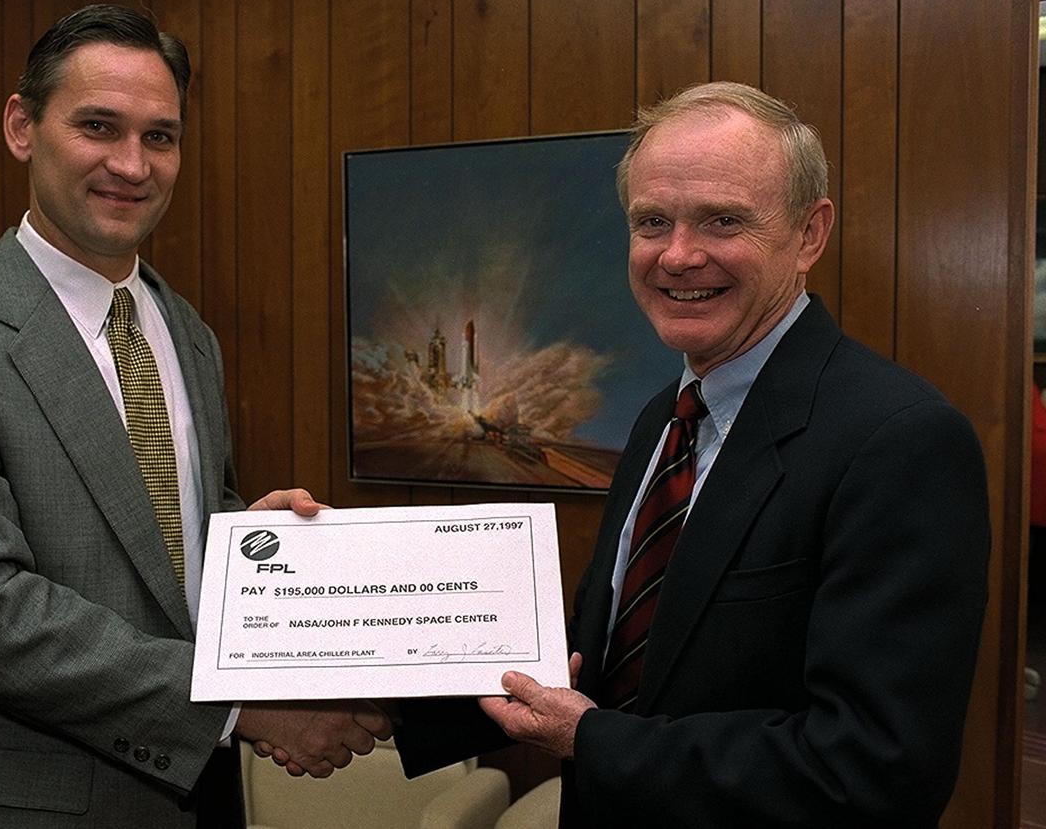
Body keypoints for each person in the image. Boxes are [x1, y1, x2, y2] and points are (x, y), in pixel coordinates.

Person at [0, 4, 389, 827]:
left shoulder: (185, 331)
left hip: (195, 800)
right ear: (22, 127)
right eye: (98, 126)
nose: (132, 164)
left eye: (160, 136)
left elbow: (160, 545)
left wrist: (247, 547)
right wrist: (241, 706)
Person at [389, 82, 991, 826]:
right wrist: (360, 697)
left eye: (722, 220)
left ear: (809, 234)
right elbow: (602, 664)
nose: (678, 255)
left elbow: (877, 768)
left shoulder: (901, 441)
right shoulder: (662, 421)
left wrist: (593, 740)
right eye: (652, 222)